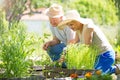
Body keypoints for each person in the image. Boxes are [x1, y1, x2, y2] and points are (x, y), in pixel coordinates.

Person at [58, 10, 120, 74]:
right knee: (90, 74)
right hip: (96, 57)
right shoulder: (78, 30)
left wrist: (75, 55)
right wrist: (65, 53)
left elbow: (87, 45)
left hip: (105, 54)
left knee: (97, 74)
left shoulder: (88, 27)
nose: (70, 27)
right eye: (68, 25)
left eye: (71, 24)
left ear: (78, 21)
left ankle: (117, 68)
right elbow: (73, 42)